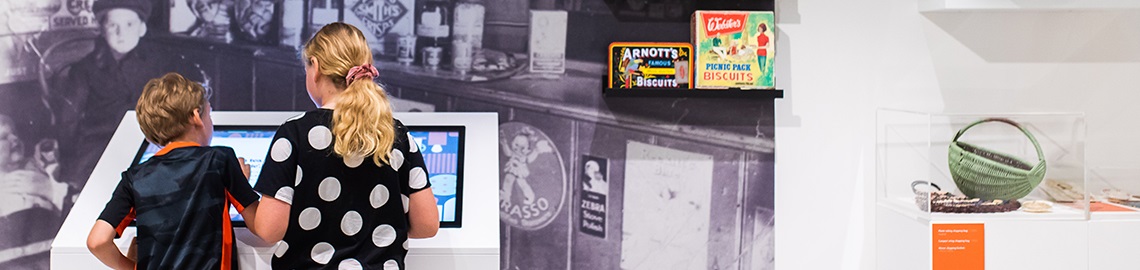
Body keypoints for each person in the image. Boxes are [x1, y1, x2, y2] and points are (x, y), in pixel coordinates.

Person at [248, 22, 439, 269]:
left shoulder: (294, 133)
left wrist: (239, 189)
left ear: (315, 67)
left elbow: (269, 229)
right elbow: (427, 225)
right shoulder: (395, 133)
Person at [86, 73, 261, 270]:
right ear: (196, 116)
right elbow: (260, 225)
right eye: (209, 115)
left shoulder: (135, 177)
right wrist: (242, 183)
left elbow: (97, 241)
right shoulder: (219, 160)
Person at [55, 0, 205, 193]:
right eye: (112, 25)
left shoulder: (161, 62)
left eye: (129, 24)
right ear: (102, 29)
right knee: (99, 186)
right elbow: (68, 121)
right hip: (102, 144)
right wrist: (67, 158)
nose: (121, 32)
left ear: (142, 28)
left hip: (149, 141)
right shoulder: (85, 69)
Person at [0, 114, 69, 269]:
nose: (15, 139)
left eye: (15, 134)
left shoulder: (37, 172)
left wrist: (50, 185)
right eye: (4, 137)